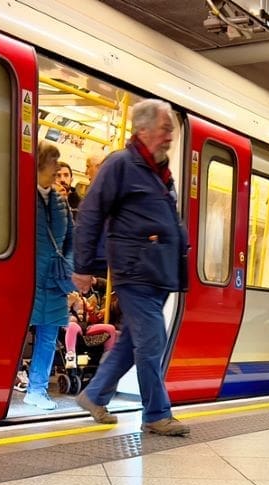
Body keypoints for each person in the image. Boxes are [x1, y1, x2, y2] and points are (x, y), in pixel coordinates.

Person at [71, 99, 190, 436]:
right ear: (143, 129)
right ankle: (155, 413)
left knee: (132, 343)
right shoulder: (121, 165)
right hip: (135, 271)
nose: (169, 136)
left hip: (159, 274)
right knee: (152, 342)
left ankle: (94, 395)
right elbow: (91, 213)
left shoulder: (160, 172)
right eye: (165, 129)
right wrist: (82, 266)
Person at [26, 142, 77, 410]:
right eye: (52, 166)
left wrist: (67, 270)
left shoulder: (60, 202)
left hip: (53, 279)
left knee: (48, 335)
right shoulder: (21, 194)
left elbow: (70, 240)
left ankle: (37, 389)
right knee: (17, 333)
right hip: (27, 278)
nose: (57, 173)